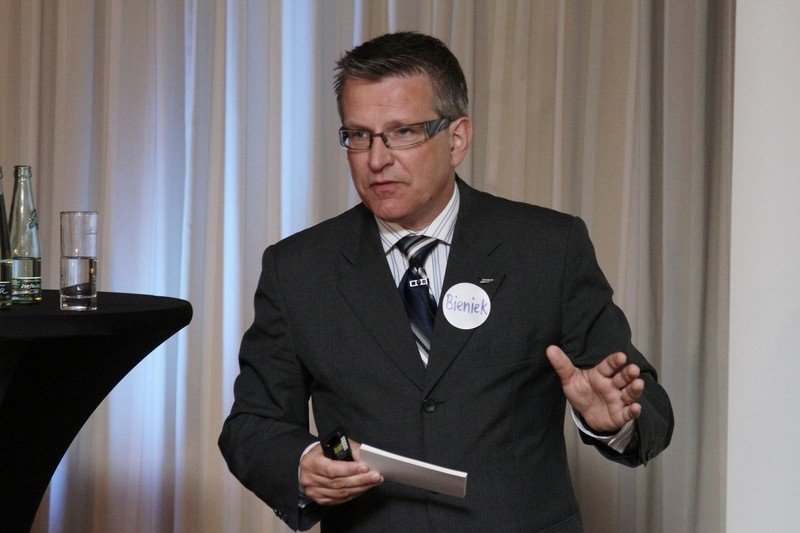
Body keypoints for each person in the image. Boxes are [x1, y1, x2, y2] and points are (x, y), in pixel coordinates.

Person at [219, 31, 673, 532]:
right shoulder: (298, 269)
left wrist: (612, 420)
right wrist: (302, 463)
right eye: (359, 135)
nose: (377, 159)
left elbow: (647, 404)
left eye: (403, 132)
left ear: (456, 139)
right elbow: (251, 426)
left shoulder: (547, 249)